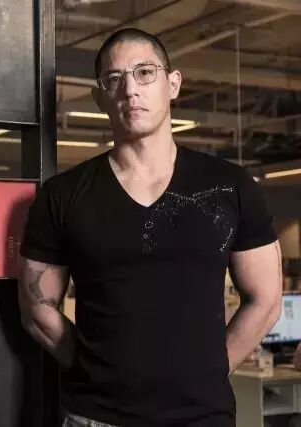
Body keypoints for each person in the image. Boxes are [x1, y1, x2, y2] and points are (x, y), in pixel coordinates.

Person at [18, 28, 283, 427]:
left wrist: (207, 371)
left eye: (144, 73)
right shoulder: (63, 195)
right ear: (99, 97)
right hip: (95, 418)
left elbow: (266, 300)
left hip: (202, 417)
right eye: (114, 79)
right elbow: (37, 310)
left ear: (172, 84)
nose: (130, 90)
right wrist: (97, 372)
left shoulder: (231, 186)